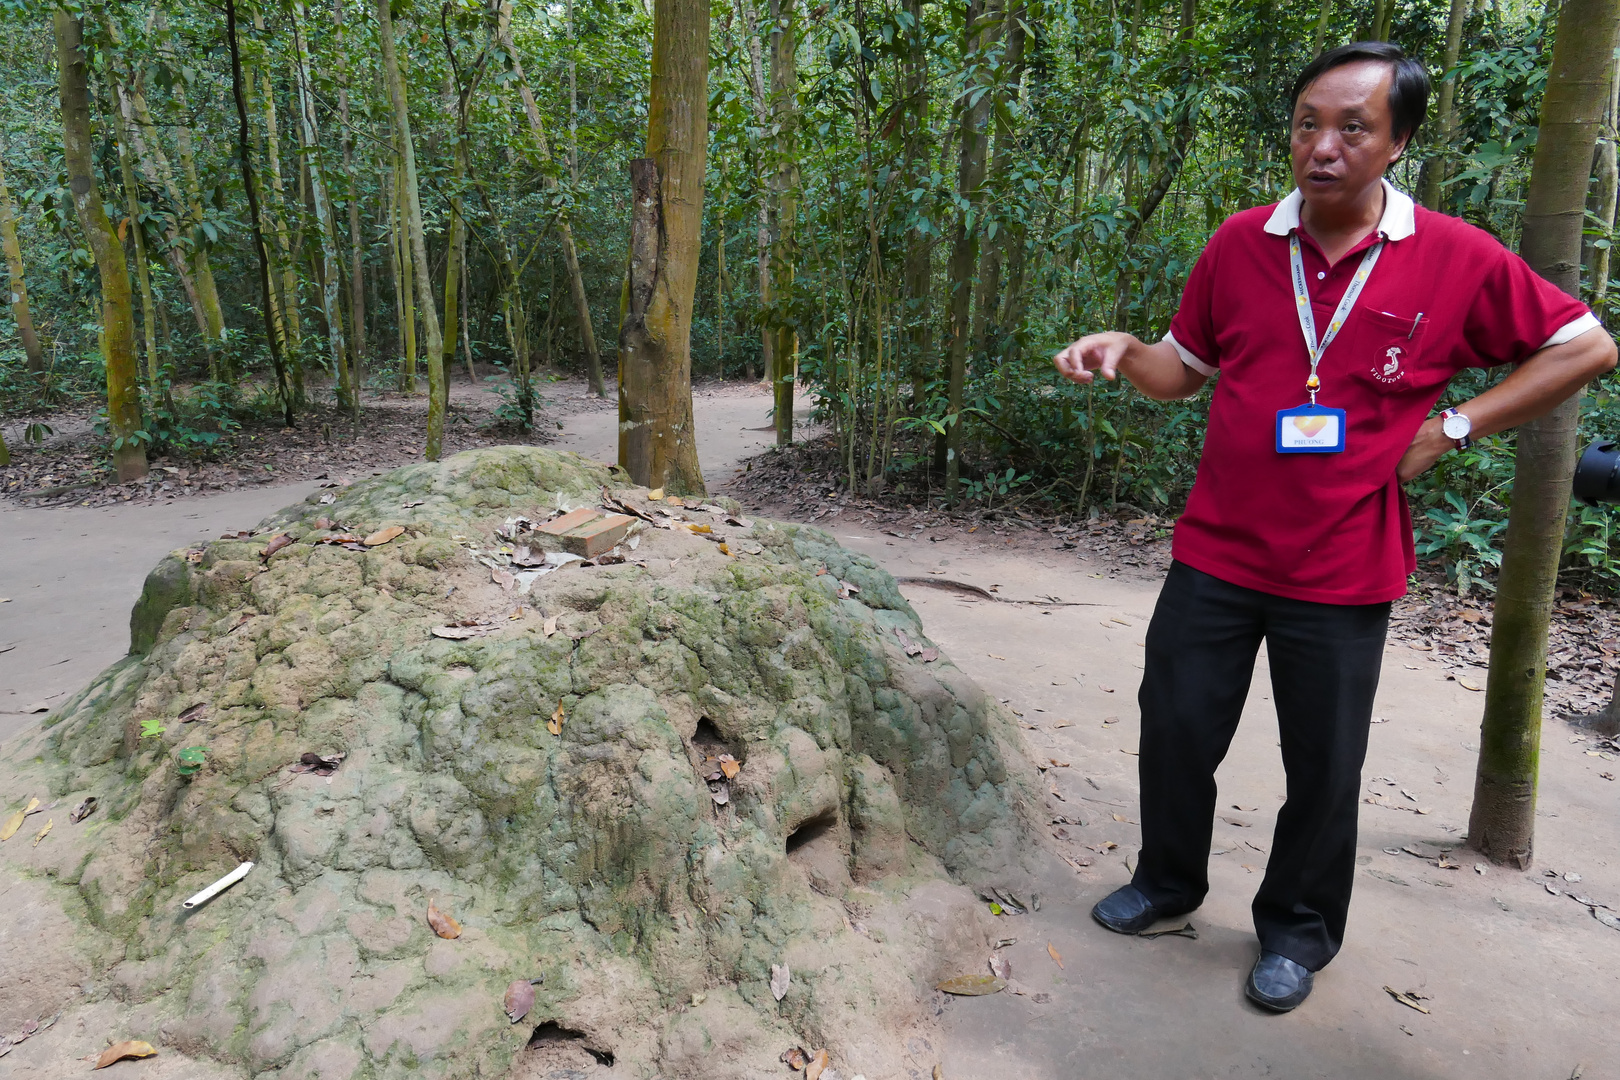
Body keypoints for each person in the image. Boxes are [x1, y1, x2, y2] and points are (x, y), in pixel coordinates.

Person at [1052, 41, 1617, 1013]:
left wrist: (1453, 426)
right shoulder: (1240, 245)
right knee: (1177, 726)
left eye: (1353, 126)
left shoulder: (1454, 256)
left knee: (1324, 764)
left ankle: (1297, 932)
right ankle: (1167, 882)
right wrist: (1127, 351)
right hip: (1218, 549)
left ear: (1397, 141)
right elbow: (1183, 369)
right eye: (1308, 122)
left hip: (1346, 564)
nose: (1323, 145)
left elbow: (1584, 345)